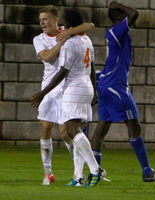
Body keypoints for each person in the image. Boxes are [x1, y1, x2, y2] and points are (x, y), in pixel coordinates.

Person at [31, 9, 103, 187]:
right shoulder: (39, 39)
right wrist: (64, 39)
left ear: (56, 21)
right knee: (46, 128)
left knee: (68, 133)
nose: (42, 23)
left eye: (45, 19)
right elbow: (47, 57)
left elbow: (90, 25)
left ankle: (80, 173)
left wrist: (68, 34)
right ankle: (48, 173)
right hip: (53, 87)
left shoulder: (70, 36)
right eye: (40, 19)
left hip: (67, 88)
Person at [91, 1, 155, 182]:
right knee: (134, 125)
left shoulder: (115, 33)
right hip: (116, 87)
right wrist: (119, 5)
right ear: (120, 18)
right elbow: (135, 14)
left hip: (106, 84)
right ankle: (147, 171)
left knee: (102, 128)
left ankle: (95, 171)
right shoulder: (117, 31)